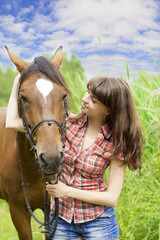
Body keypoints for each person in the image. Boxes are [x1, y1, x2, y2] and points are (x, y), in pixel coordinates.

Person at [6, 75, 143, 240]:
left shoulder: (116, 143)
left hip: (98, 222)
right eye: (87, 92)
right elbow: (12, 123)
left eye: (94, 100)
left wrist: (67, 191)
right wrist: (17, 82)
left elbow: (112, 198)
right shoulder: (66, 124)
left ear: (108, 109)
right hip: (62, 220)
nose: (85, 99)